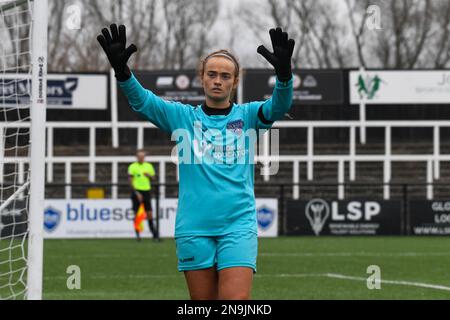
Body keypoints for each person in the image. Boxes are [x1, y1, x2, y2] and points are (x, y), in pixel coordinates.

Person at [97, 24, 294, 300]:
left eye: (225, 76)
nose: (217, 80)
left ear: (234, 82)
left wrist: (284, 76)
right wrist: (123, 72)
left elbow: (279, 106)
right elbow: (143, 102)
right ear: (201, 77)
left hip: (238, 226)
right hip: (194, 228)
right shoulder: (182, 117)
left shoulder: (249, 116)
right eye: (211, 74)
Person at [128, 149, 158, 241]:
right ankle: (138, 235)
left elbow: (154, 178)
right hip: (137, 192)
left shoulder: (148, 166)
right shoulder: (132, 166)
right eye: (139, 156)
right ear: (136, 157)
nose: (141, 158)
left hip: (146, 191)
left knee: (149, 213)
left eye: (142, 156)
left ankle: (154, 234)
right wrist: (136, 192)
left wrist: (149, 175)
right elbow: (130, 181)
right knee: (137, 214)